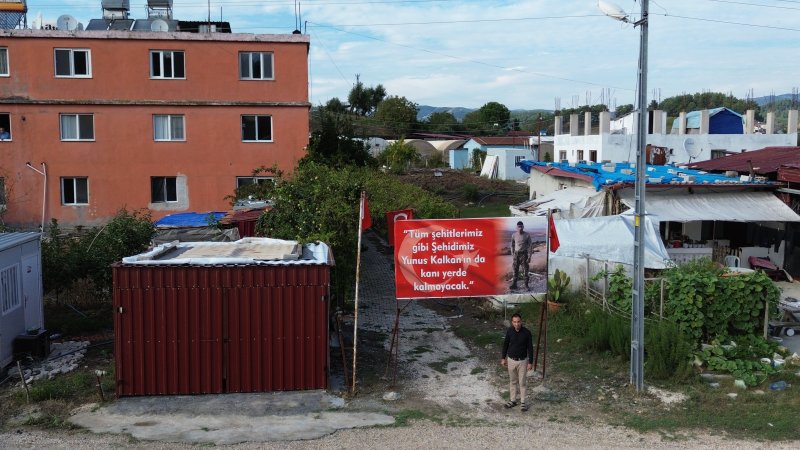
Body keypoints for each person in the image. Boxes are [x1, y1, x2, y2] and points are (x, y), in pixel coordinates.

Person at [501, 313, 534, 411]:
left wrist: (530, 362)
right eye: (514, 322)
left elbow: (530, 348)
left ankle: (523, 402)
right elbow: (505, 344)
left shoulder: (527, 333)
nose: (517, 324)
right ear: (512, 322)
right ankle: (513, 400)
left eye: (518, 322)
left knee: (522, 382)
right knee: (512, 381)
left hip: (523, 361)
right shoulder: (509, 331)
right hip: (511, 360)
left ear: (521, 321)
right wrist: (503, 358)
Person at [510, 221, 532, 289]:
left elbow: (530, 246)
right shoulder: (514, 235)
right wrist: (512, 254)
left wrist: (529, 256)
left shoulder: (527, 235)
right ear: (516, 227)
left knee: (525, 270)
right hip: (516, 254)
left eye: (521, 227)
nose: (520, 228)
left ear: (523, 227)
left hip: (524, 255)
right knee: (515, 270)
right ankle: (514, 284)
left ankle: (526, 285)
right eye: (518, 227)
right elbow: (512, 245)